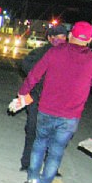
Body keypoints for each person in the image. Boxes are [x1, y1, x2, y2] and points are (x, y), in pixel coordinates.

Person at [14, 21, 92, 183]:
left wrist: (23, 92)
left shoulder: (54, 52)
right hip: (70, 116)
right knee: (56, 152)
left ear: (71, 36)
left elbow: (34, 75)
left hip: (46, 110)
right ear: (90, 40)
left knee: (39, 144)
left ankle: (32, 179)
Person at [16, 23, 70, 171]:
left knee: (55, 135)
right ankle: (27, 163)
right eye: (58, 37)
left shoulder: (68, 55)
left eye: (64, 37)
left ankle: (51, 167)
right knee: (32, 130)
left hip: (58, 101)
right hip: (37, 98)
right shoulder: (39, 53)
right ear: (50, 38)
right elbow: (27, 68)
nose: (62, 40)